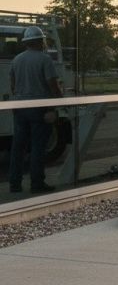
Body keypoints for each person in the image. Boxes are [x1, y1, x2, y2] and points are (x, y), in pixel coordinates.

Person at [8, 26, 62, 194]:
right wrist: (59, 102)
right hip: (39, 109)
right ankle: (37, 183)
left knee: (18, 147)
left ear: (26, 42)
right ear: (40, 41)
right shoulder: (45, 60)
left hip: (19, 108)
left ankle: (14, 184)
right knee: (38, 148)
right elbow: (52, 85)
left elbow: (13, 85)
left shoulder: (16, 59)